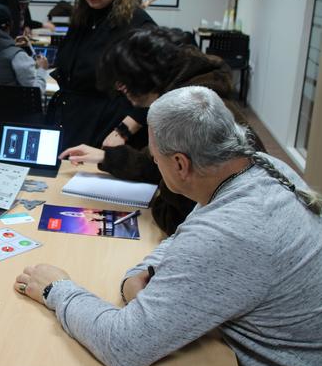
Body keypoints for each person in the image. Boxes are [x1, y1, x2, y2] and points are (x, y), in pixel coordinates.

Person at [16, 86, 322, 366]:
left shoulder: (232, 231)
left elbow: (122, 347)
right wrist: (139, 275)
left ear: (180, 164)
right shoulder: (263, 166)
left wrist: (57, 290)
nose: (154, 166)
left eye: (155, 160)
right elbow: (186, 238)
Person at [60, 26, 263, 234]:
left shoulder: (189, 115)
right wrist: (107, 157)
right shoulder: (194, 93)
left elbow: (177, 217)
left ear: (141, 75)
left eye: (122, 82)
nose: (120, 90)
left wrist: (158, 201)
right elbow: (157, 164)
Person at [48, 0, 155, 149]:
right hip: (71, 122)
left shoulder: (138, 24)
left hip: (109, 130)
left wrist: (125, 130)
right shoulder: (84, 17)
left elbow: (160, 90)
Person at [0, 3, 49, 95]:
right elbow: (36, 92)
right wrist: (42, 69)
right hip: (12, 108)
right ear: (9, 26)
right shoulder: (17, 56)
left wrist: (11, 45)